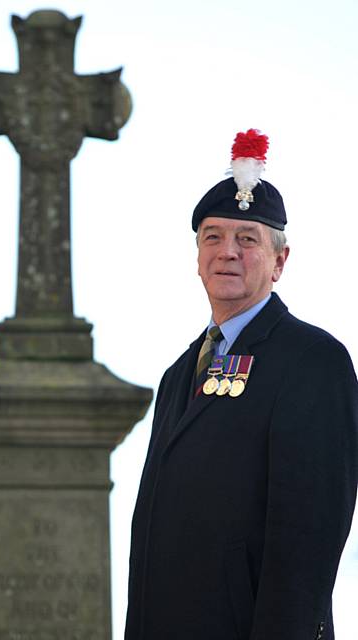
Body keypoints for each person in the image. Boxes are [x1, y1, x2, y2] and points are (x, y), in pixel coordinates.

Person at [125, 130, 358, 640]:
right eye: (213, 236)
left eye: (246, 239)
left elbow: (308, 540)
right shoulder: (178, 374)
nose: (226, 252)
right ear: (197, 254)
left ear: (280, 261)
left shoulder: (313, 361)